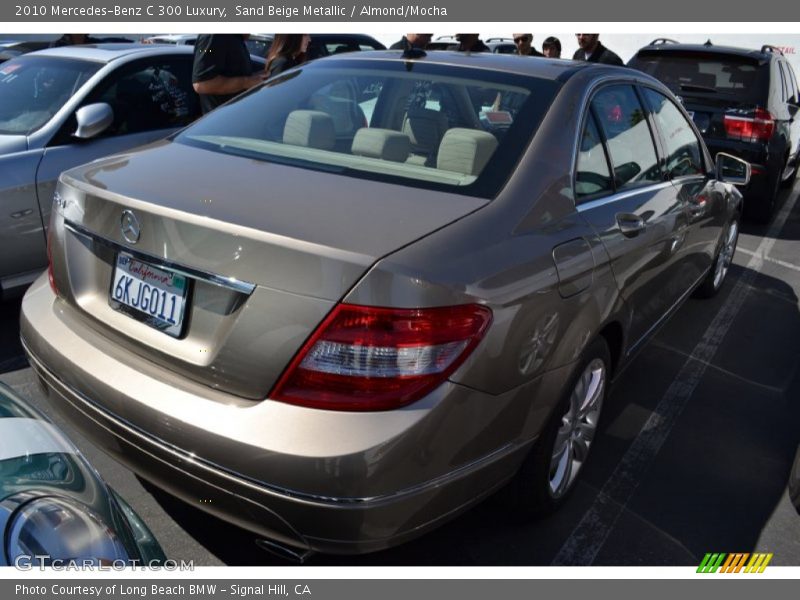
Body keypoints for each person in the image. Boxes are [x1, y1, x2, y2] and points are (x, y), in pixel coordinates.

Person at [192, 34, 266, 114]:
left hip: (237, 117)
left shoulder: (234, 37)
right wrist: (246, 82)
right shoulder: (215, 35)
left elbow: (234, 73)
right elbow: (202, 84)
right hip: (221, 120)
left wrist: (256, 77)